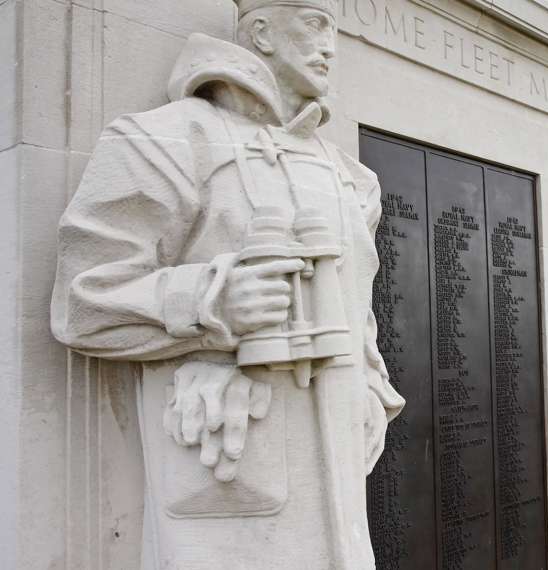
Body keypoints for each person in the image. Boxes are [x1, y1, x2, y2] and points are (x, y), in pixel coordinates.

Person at [51, 0, 404, 567]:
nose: (330, 47)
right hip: (225, 484)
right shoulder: (163, 141)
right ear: (261, 31)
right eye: (315, 24)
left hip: (341, 491)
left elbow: (359, 307)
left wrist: (371, 389)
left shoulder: (350, 178)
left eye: (334, 30)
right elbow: (82, 298)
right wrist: (213, 301)